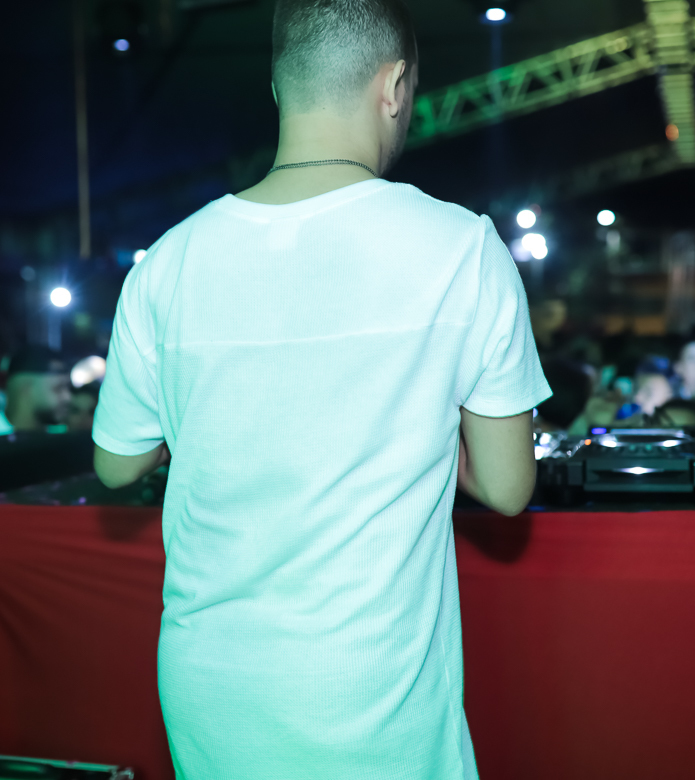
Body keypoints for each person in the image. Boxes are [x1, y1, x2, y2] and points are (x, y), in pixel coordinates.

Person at [91, 2, 551, 776]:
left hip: (210, 684)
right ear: (395, 87)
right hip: (373, 690)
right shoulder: (462, 247)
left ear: (279, 89)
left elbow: (116, 465)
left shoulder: (169, 260)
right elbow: (507, 488)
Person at [0, 346, 72, 439]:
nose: (68, 397)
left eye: (67, 388)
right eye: (58, 388)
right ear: (25, 388)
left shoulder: (65, 437)